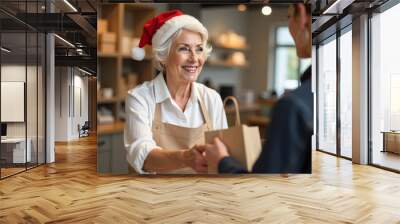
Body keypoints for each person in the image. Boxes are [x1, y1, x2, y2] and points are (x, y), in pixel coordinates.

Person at [201, 3, 313, 174]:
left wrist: (222, 161)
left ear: (303, 14)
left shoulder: (293, 106)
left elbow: (263, 189)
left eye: (289, 17)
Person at [124, 10, 228, 174]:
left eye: (199, 49)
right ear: (163, 55)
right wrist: (186, 158)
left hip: (202, 194)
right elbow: (141, 156)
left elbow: (223, 155)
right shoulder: (140, 98)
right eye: (184, 49)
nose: (194, 58)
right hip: (153, 196)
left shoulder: (211, 99)